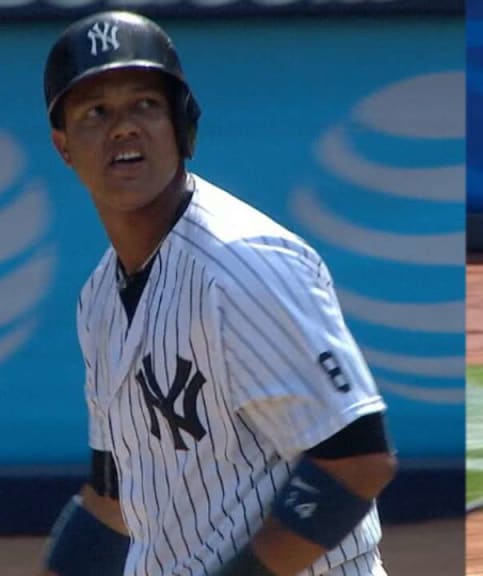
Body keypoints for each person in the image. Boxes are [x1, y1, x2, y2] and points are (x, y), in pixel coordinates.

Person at [37, 11, 396, 576]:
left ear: (182, 124)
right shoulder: (100, 299)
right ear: (64, 146)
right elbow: (111, 500)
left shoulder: (242, 264)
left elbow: (356, 457)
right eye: (95, 112)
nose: (123, 127)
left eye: (145, 105)